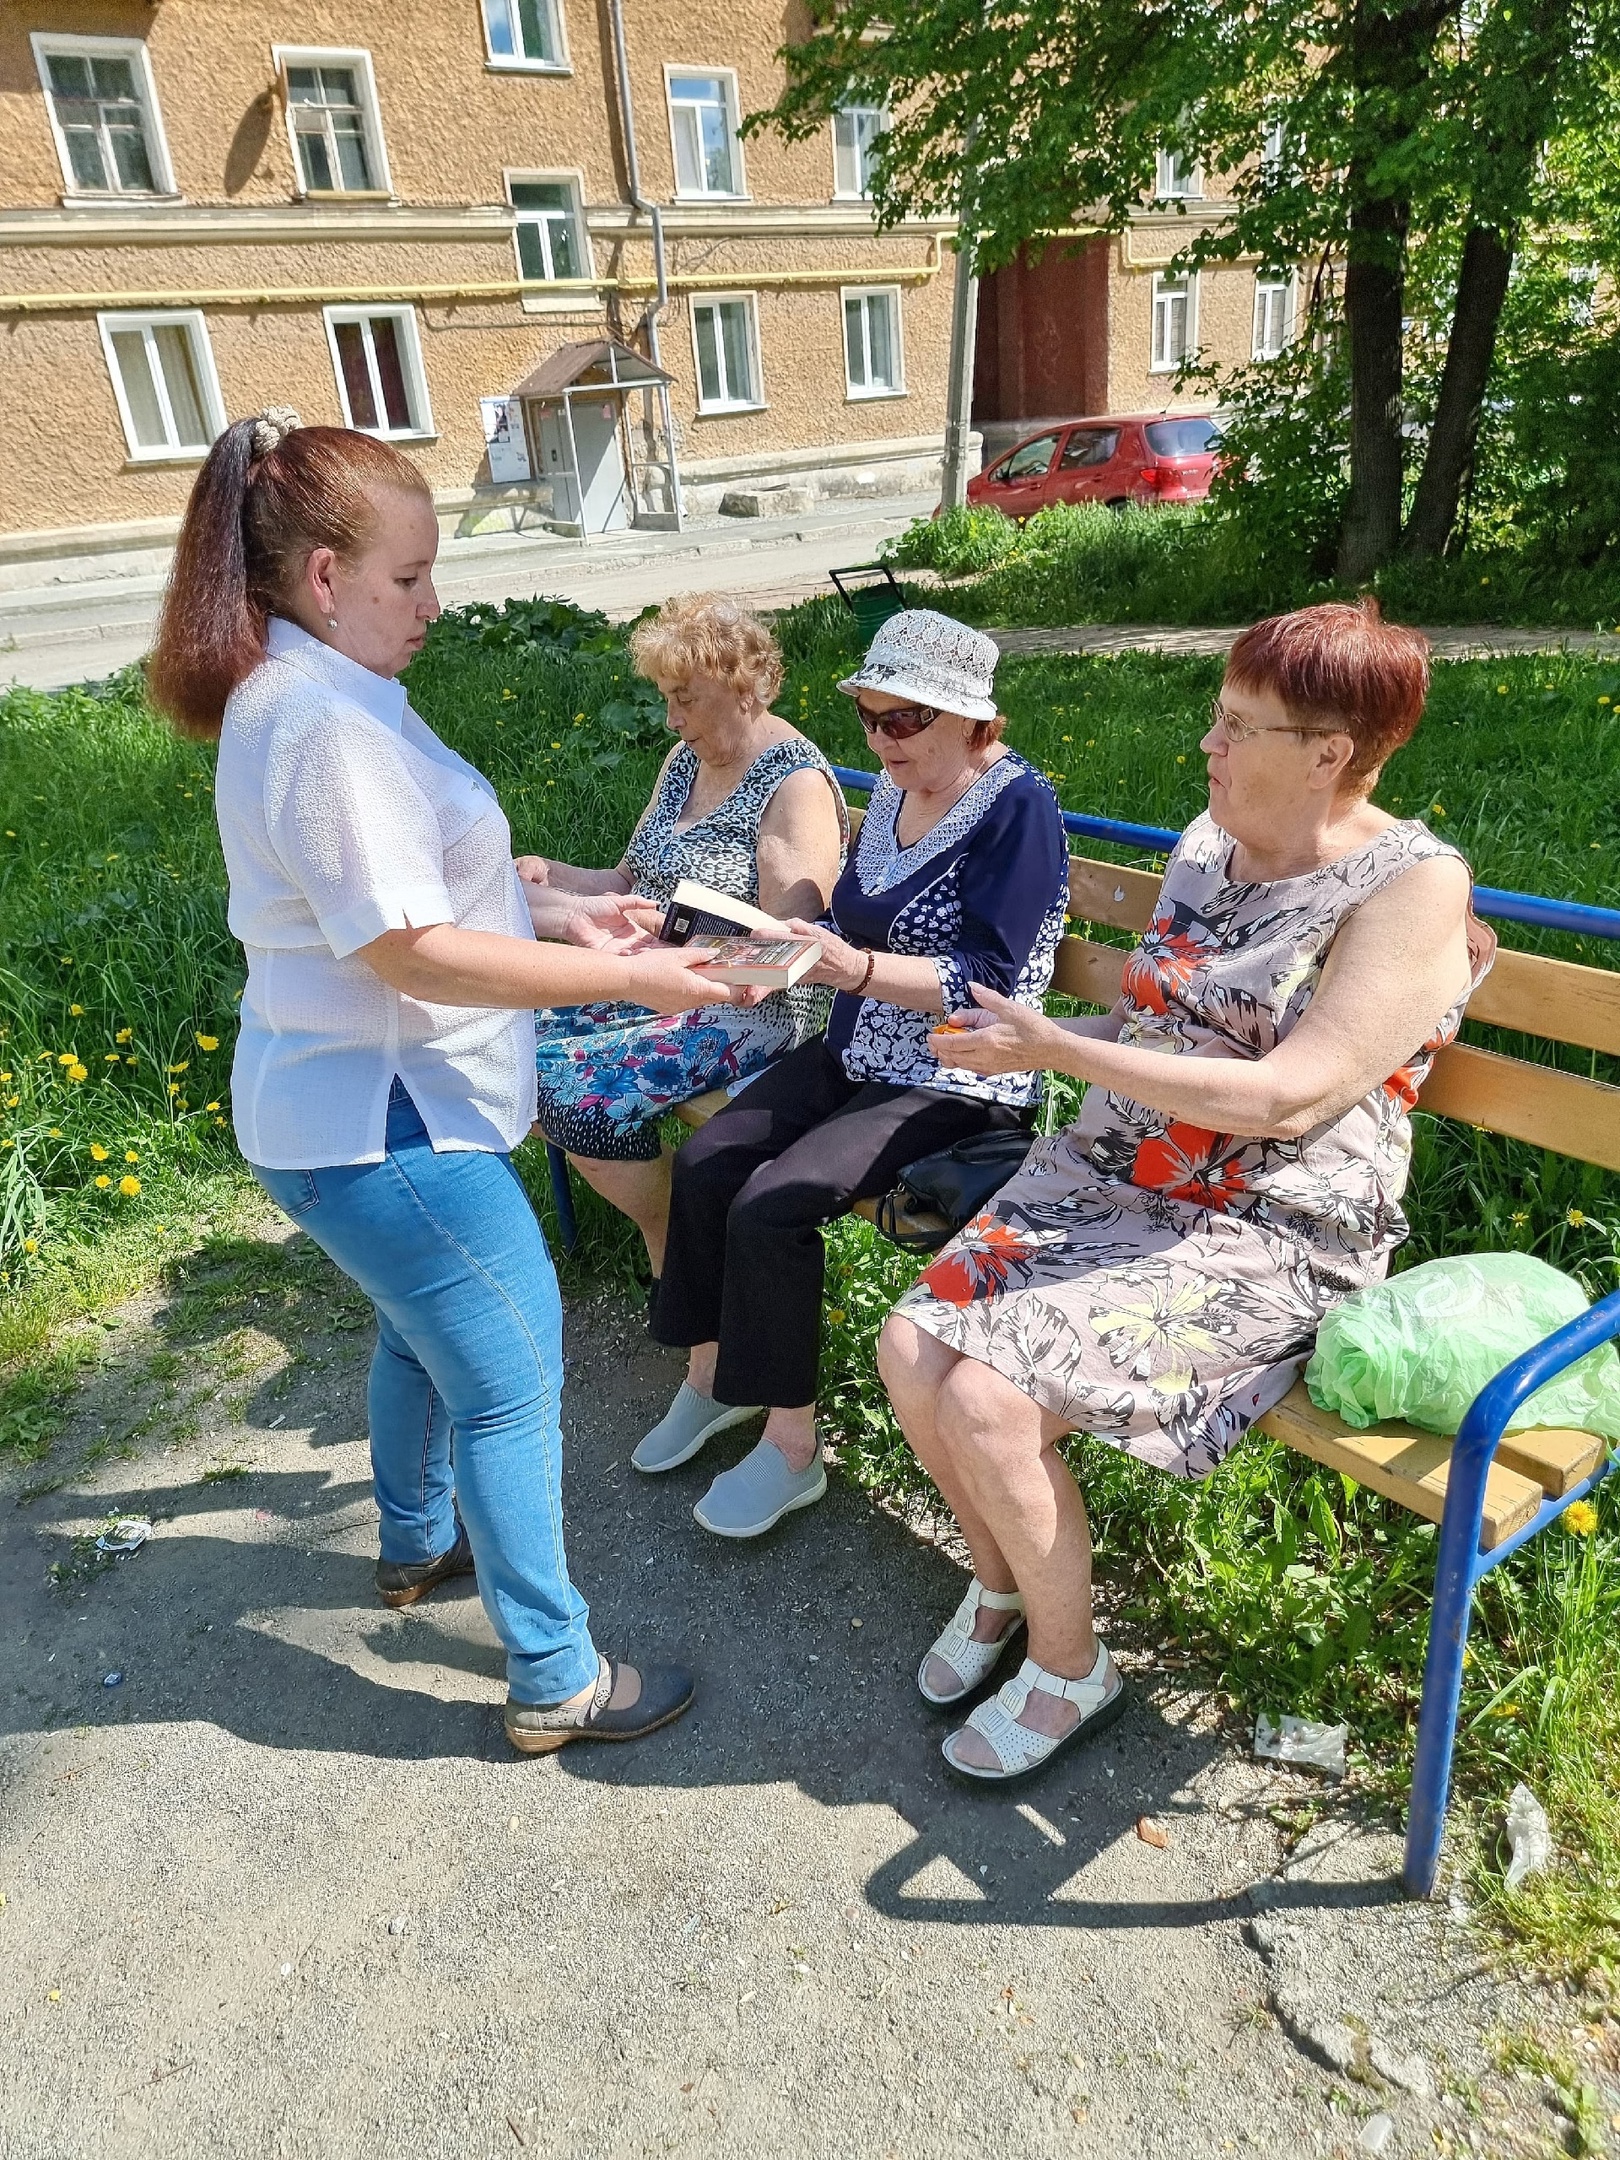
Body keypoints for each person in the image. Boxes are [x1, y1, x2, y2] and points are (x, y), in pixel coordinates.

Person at [147, 408, 746, 1757]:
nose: (434, 603)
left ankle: (417, 1541)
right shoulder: (320, 723)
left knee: (419, 1333)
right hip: (387, 1120)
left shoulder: (320, 690)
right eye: (410, 577)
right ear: (324, 577)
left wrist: (566, 917)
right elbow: (407, 948)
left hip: (344, 1109)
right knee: (511, 1378)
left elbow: (419, 887)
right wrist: (630, 977)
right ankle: (557, 1676)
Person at [877, 599, 1496, 1783]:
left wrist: (1062, 1053)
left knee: (991, 1405)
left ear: (1328, 754)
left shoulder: (1411, 889)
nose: (1208, 744)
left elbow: (1290, 1099)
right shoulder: (1210, 843)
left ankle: (1071, 1668)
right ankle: (1003, 1584)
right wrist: (1037, 1038)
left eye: (1239, 726)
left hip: (1270, 1222)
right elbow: (1153, 1020)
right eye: (1218, 715)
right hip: (1116, 1176)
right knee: (911, 1352)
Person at [641, 608, 1070, 1539]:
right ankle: (714, 1379)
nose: (881, 739)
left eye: (904, 718)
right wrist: (766, 952)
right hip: (857, 1047)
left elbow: (994, 982)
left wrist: (856, 969)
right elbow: (851, 922)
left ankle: (792, 1445)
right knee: (709, 1162)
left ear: (971, 718)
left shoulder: (1017, 805)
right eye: (869, 717)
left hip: (956, 1076)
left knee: (773, 1204)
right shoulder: (897, 786)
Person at [519, 594, 846, 1282]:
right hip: (654, 975)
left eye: (685, 699)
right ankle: (689, 1243)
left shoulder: (796, 786)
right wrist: (556, 876)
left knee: (577, 1098)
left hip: (750, 1009)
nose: (671, 718)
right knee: (503, 1041)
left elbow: (789, 953)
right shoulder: (685, 760)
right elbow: (628, 877)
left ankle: (678, 1254)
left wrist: (676, 944)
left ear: (745, 689)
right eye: (666, 698)